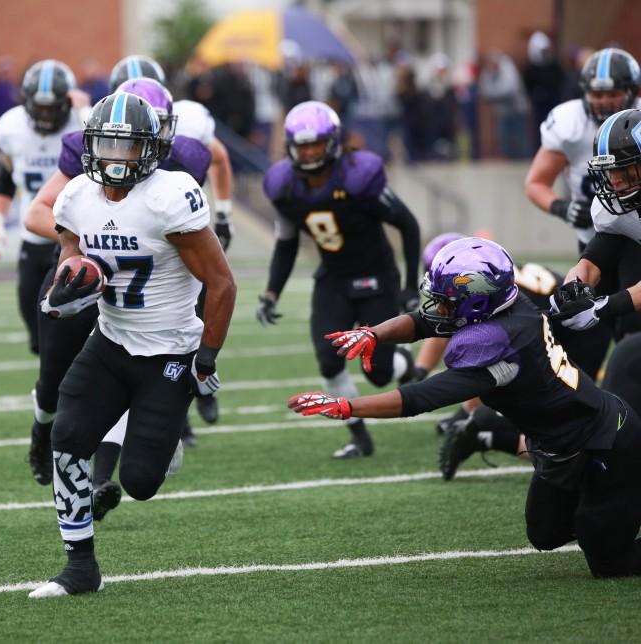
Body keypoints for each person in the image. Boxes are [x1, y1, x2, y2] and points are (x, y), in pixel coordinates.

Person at [289, 236, 641, 578]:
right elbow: (422, 321)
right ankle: (605, 510)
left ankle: (612, 509)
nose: (440, 307)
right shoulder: (507, 308)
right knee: (545, 534)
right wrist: (373, 334)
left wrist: (348, 406)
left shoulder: (499, 343)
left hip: (604, 441)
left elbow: (422, 397)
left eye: (447, 300)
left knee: (610, 563)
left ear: (477, 302)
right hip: (557, 444)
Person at [28, 92, 235, 598]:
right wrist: (68, 288)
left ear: (150, 148)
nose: (117, 157)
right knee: (68, 437)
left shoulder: (170, 195)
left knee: (141, 482)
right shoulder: (77, 195)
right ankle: (80, 568)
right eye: (108, 145)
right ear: (91, 146)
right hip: (111, 340)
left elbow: (222, 283)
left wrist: (205, 359)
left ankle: (161, 444)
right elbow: (72, 258)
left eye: (128, 146)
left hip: (169, 350)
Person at [257, 100, 421, 459]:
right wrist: (271, 292)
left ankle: (405, 365)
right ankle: (358, 436)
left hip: (377, 276)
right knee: (329, 362)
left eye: (317, 143)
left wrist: (410, 287)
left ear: (332, 142)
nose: (311, 152)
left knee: (379, 375)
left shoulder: (359, 176)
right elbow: (286, 245)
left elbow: (408, 226)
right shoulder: (284, 186)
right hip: (333, 278)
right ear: (290, 147)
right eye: (303, 146)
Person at [410, 233, 610, 479]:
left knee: (571, 432)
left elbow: (478, 359)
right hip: (564, 328)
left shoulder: (480, 295)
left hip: (580, 334)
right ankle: (484, 434)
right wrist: (420, 371)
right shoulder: (491, 279)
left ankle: (485, 434)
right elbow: (445, 328)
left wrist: (466, 414)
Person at [108, 54, 235, 428]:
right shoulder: (105, 127)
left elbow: (221, 158)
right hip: (129, 234)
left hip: (177, 226)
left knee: (191, 310)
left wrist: (223, 212)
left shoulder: (188, 141)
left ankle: (198, 387)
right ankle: (170, 418)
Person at [0, 59, 81, 355]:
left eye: (51, 107)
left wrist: (86, 110)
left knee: (73, 328)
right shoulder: (10, 128)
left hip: (75, 236)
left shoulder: (82, 124)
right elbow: (6, 179)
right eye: (39, 107)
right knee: (34, 324)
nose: (44, 114)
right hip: (34, 236)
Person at [553, 108, 641, 417]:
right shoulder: (615, 206)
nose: (614, 180)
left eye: (625, 169)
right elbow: (595, 257)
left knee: (629, 356)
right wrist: (572, 291)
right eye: (609, 171)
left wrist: (603, 307)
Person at [525, 48, 640, 252]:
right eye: (597, 94)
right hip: (595, 237)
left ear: (632, 91)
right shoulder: (569, 124)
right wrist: (562, 207)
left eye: (613, 93)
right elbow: (536, 183)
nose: (605, 101)